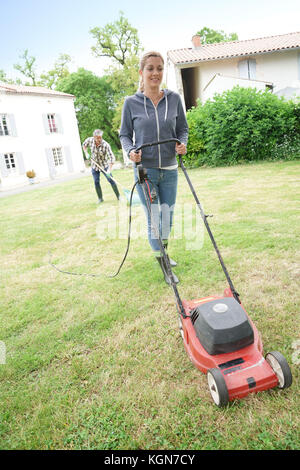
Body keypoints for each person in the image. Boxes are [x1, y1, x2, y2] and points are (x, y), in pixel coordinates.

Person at [119, 51, 189, 284]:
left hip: (169, 169)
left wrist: (182, 144)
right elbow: (125, 135)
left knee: (167, 217)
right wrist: (130, 151)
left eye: (159, 68)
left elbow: (182, 130)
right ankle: (165, 267)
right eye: (150, 68)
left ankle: (164, 254)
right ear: (141, 72)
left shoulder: (174, 99)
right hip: (145, 170)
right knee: (155, 217)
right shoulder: (131, 103)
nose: (155, 73)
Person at [82, 129, 120, 203]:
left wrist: (109, 170)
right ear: (94, 137)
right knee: (96, 181)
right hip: (94, 165)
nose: (99, 139)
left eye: (100, 137)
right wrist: (86, 152)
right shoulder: (90, 140)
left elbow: (112, 158)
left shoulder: (105, 145)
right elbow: (84, 145)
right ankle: (100, 198)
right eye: (98, 137)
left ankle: (118, 197)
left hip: (104, 165)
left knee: (111, 180)